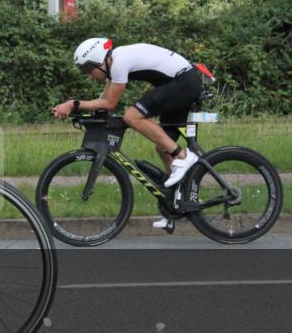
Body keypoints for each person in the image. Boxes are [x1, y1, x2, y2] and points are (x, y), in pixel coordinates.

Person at [51, 38, 204, 230]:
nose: (90, 76)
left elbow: (109, 103)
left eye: (89, 70)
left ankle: (184, 157)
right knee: (163, 147)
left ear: (100, 61)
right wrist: (76, 108)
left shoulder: (119, 62)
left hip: (184, 82)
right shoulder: (115, 62)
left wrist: (74, 104)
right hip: (180, 83)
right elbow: (104, 100)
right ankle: (174, 205)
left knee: (131, 116)